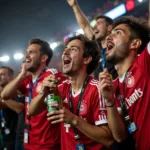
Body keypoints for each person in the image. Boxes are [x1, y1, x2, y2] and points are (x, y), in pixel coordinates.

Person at [31, 34, 114, 150]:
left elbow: (108, 139)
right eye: (66, 49)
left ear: (86, 59)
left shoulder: (97, 89)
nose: (65, 52)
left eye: (73, 49)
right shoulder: (60, 88)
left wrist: (74, 119)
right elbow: (32, 111)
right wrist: (42, 93)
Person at [1, 39, 67, 150]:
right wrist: (22, 75)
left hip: (48, 144)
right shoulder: (28, 79)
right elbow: (5, 95)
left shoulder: (52, 75)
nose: (26, 55)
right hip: (30, 142)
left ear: (43, 58)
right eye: (26, 52)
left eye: (31, 52)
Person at [98, 16, 150, 150]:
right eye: (110, 33)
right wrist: (109, 101)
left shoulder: (144, 62)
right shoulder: (112, 86)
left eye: (117, 33)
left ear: (135, 43)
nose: (109, 37)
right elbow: (119, 136)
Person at [66, 0, 118, 80]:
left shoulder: (118, 44)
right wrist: (74, 6)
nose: (94, 27)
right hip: (101, 90)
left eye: (99, 23)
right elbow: (85, 26)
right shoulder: (96, 46)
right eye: (95, 24)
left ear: (109, 27)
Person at [0, 66, 22, 150]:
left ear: (10, 77)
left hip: (15, 138)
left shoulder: (16, 91)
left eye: (2, 74)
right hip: (5, 136)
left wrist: (2, 96)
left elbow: (19, 108)